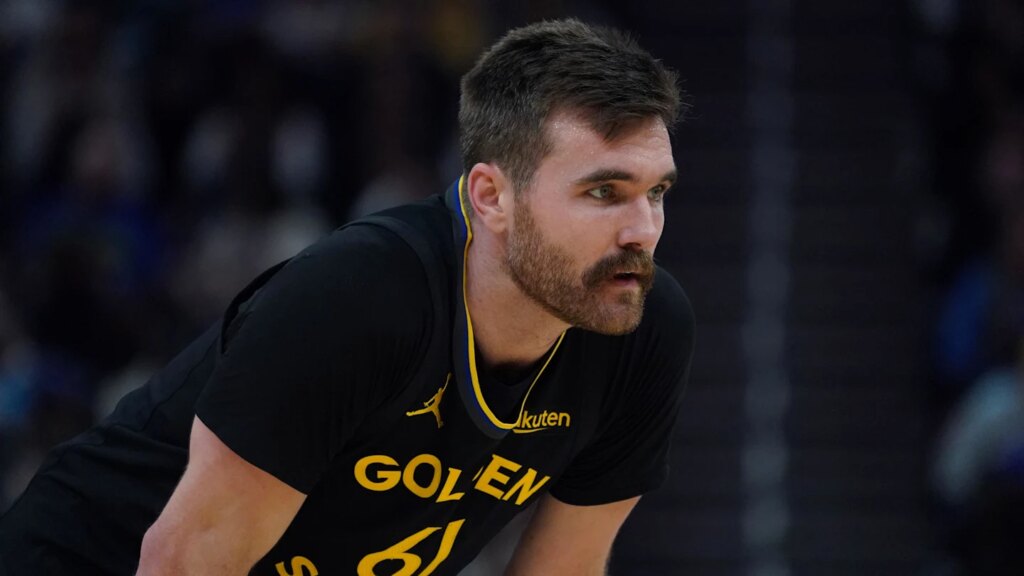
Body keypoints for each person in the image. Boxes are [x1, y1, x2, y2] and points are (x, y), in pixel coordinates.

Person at [0, 18, 694, 575]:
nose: (642, 230)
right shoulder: (362, 298)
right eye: (603, 191)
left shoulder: (642, 328)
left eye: (655, 192)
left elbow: (565, 566)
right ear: (492, 197)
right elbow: (183, 561)